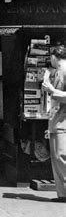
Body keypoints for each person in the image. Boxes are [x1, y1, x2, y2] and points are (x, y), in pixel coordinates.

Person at [41, 45, 66, 202]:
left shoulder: (64, 71)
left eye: (51, 57)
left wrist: (51, 90)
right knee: (57, 158)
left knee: (60, 157)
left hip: (62, 122)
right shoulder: (58, 72)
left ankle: (64, 194)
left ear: (55, 57)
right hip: (57, 121)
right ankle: (62, 194)